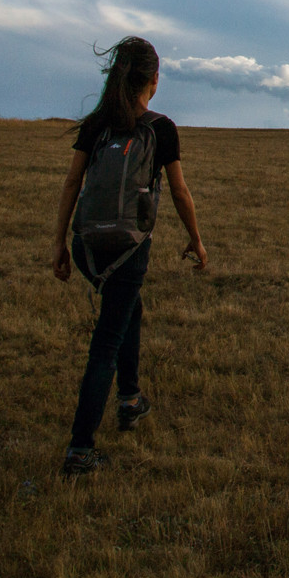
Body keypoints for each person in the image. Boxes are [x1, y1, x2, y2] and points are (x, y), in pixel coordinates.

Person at [51, 36, 207, 478]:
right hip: (128, 249)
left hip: (86, 247)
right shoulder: (160, 127)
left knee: (126, 311)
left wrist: (60, 244)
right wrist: (197, 240)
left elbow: (71, 185)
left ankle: (131, 399)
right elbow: (178, 190)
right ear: (153, 81)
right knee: (107, 338)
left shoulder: (96, 124)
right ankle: (80, 449)